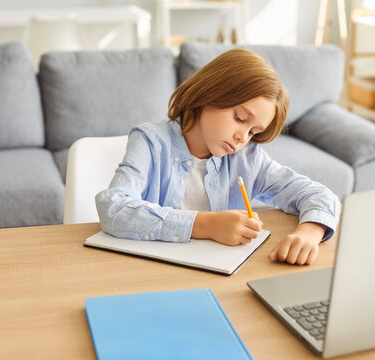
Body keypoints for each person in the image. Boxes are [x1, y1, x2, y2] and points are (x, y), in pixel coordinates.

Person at [96, 48, 341, 265]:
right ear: (209, 94)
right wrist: (206, 225)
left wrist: (309, 233)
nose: (242, 138)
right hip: (150, 273)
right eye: (240, 119)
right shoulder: (150, 141)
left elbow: (319, 195)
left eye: (253, 132)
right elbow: (114, 208)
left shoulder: (247, 159)